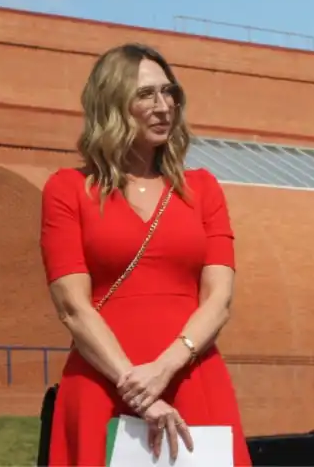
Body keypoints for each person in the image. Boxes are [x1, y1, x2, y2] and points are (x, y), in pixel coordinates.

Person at [39, 43, 250, 466]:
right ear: (113, 105)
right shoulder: (67, 190)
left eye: (169, 92)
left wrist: (165, 368)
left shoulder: (203, 189)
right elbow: (73, 308)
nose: (163, 106)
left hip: (192, 378)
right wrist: (135, 388)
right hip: (103, 383)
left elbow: (219, 299)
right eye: (146, 94)